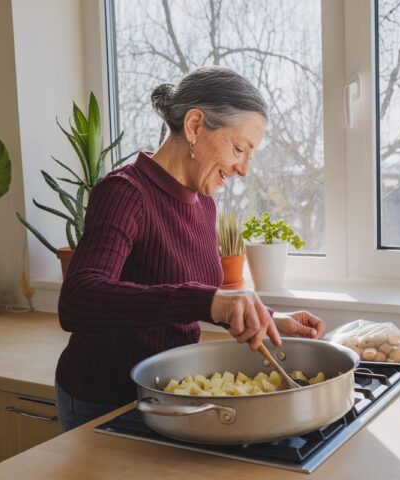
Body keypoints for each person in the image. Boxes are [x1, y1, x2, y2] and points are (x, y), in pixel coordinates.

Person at [54, 66, 326, 431]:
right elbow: (78, 301)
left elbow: (192, 293)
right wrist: (207, 301)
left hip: (170, 394)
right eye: (239, 148)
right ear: (196, 126)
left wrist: (268, 317)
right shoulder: (124, 193)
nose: (243, 169)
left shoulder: (203, 203)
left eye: (251, 155)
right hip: (106, 400)